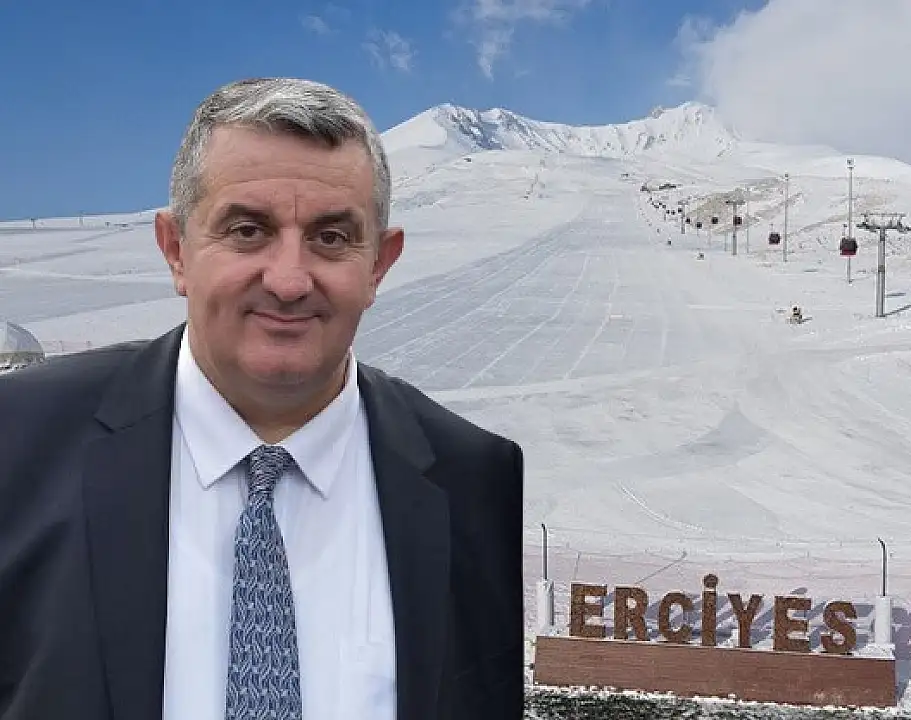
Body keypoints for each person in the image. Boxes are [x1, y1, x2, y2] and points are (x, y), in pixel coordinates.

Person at [0, 78, 525, 720]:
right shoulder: (18, 445)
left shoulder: (474, 479)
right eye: (248, 230)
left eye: (332, 238)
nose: (289, 280)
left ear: (379, 265)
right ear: (175, 250)